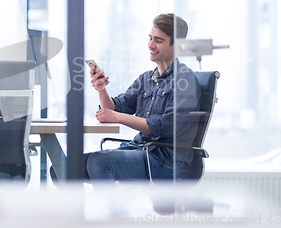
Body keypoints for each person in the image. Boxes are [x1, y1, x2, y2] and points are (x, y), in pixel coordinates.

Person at [85, 13, 201, 181]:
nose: (151, 45)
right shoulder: (146, 79)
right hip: (139, 150)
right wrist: (102, 90)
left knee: (99, 163)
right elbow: (114, 109)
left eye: (158, 41)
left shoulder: (184, 79)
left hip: (166, 161)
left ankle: (111, 207)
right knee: (64, 166)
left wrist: (117, 116)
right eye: (150, 38)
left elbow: (163, 127)